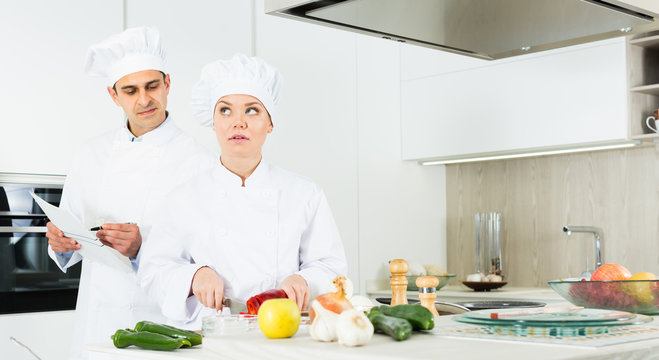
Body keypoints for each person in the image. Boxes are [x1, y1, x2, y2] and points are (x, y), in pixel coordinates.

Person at [139, 54, 348, 328]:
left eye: (252, 110)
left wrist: (303, 280)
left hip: (283, 332)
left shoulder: (304, 194)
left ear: (270, 123)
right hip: (211, 336)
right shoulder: (184, 198)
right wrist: (194, 276)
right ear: (213, 122)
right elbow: (153, 273)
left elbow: (331, 268)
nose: (238, 122)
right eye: (225, 110)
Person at [45, 27, 215, 359]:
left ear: (168, 84)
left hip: (159, 326)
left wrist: (142, 249)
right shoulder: (89, 155)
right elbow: (72, 231)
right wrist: (62, 245)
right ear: (113, 95)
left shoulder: (201, 164)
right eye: (130, 90)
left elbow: (211, 265)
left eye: (152, 86)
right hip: (96, 320)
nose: (144, 100)